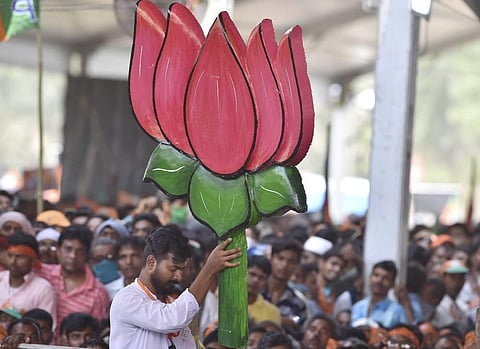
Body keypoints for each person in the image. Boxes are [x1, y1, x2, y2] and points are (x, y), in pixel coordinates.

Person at [109, 225, 241, 349]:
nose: (178, 277)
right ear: (151, 262)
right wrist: (209, 269)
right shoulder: (126, 298)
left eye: (181, 270)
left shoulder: (172, 303)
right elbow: (170, 319)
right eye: (173, 269)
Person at [37, 225, 110, 326]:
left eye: (80, 251)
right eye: (68, 249)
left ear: (87, 254)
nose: (73, 256)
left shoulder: (98, 293)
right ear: (58, 250)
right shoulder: (42, 273)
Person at [0, 232, 56, 328]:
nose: (13, 261)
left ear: (33, 260)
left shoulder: (43, 289)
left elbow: (45, 329)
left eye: (20, 257)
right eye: (10, 255)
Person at [263, 238, 306, 340]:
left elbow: (298, 334)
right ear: (271, 259)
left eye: (291, 261)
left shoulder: (298, 303)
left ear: (297, 265)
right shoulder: (254, 291)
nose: (284, 265)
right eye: (280, 258)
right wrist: (279, 320)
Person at [351, 260, 407, 328]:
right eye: (376, 275)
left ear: (392, 284)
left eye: (386, 278)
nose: (379, 281)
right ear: (370, 278)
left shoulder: (397, 311)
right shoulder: (357, 307)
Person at [431, 259, 471, 335]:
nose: (457, 282)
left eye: (460, 278)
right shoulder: (436, 302)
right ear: (443, 278)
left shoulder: (461, 305)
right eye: (453, 277)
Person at [247, 255, 281, 325]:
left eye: (261, 277)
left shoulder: (272, 313)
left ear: (266, 282)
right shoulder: (222, 299)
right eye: (252, 274)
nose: (256, 280)